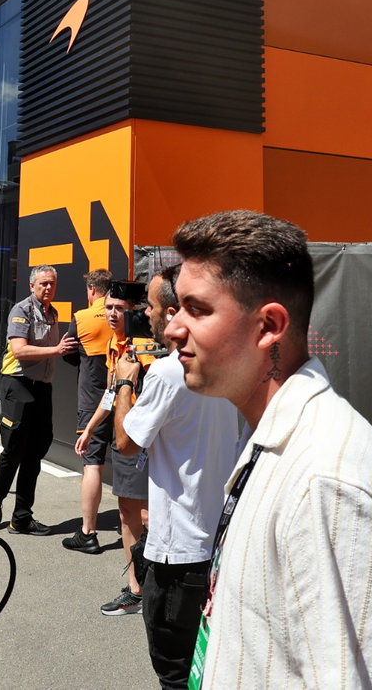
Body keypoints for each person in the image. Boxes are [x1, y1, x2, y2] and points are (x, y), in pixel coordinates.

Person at [166, 210, 372, 689]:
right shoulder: (273, 438)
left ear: (269, 325)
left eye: (196, 309)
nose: (173, 328)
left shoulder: (325, 481)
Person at [111, 265, 243, 688]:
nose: (145, 314)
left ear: (172, 314)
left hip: (178, 553)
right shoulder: (223, 363)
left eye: (150, 306)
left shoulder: (169, 372)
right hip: (215, 545)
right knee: (209, 667)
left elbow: (125, 442)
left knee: (175, 672)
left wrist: (124, 384)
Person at [74, 284, 151, 615]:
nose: (112, 314)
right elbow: (111, 393)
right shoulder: (112, 344)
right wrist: (90, 428)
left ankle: (149, 588)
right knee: (127, 513)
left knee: (145, 515)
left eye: (120, 308)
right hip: (123, 437)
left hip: (143, 441)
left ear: (134, 312)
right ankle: (137, 588)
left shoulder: (146, 348)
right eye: (108, 307)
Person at [0, 264, 77, 536]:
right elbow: (19, 350)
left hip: (42, 387)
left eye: (52, 283)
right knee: (14, 448)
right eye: (43, 283)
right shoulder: (21, 310)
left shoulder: (53, 313)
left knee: (35, 452)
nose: (48, 287)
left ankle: (22, 518)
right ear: (32, 286)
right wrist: (57, 350)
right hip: (18, 383)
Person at [62, 268, 114, 555]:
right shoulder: (123, 316)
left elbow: (68, 352)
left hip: (93, 400)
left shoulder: (82, 318)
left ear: (92, 290)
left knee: (92, 464)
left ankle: (88, 532)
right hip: (124, 399)